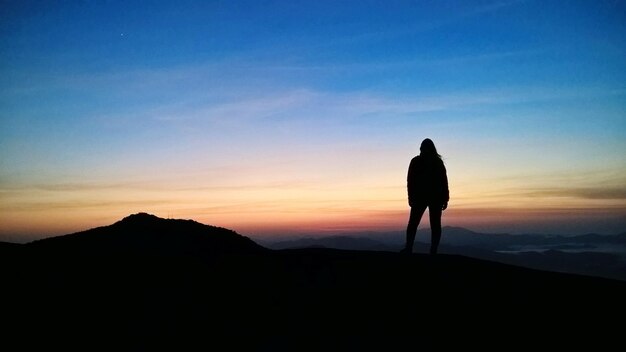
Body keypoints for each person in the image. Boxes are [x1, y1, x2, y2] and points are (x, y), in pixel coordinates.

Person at [401, 138, 449, 255]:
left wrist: (446, 197)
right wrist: (410, 196)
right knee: (418, 224)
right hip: (424, 197)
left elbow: (444, 181)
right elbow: (410, 181)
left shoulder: (434, 162)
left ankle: (427, 250)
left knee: (430, 225)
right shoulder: (422, 162)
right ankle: (411, 248)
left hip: (430, 198)